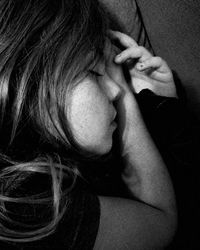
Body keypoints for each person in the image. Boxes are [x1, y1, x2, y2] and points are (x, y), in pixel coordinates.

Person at [0, 0, 180, 249]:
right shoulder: (26, 209)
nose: (115, 90)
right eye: (95, 72)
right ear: (32, 86)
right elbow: (162, 221)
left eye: (114, 74)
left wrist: (159, 106)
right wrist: (131, 99)